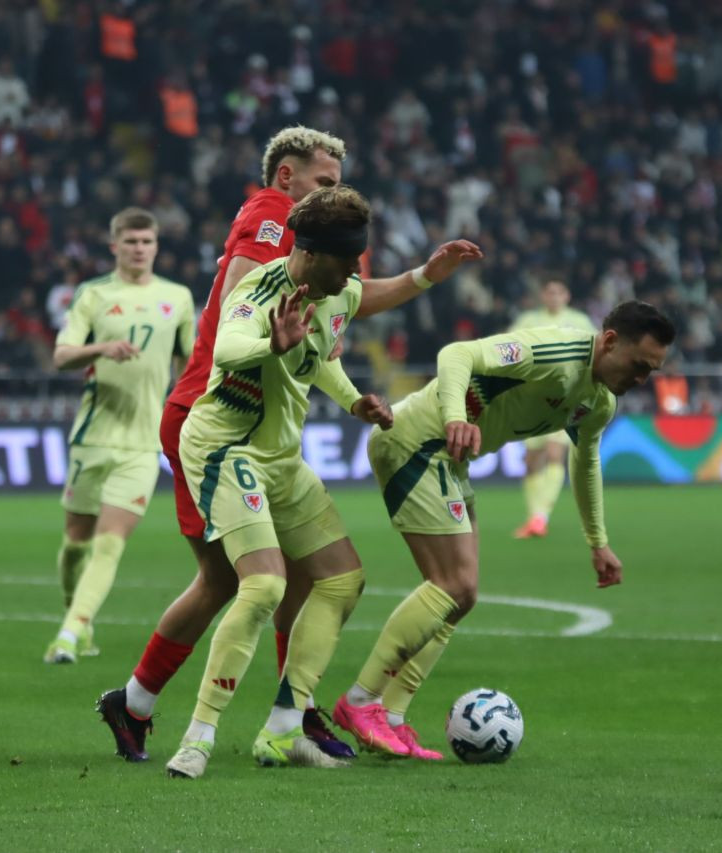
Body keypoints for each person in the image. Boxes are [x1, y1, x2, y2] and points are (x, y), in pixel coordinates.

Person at [95, 126, 481, 762]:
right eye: (325, 181)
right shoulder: (274, 221)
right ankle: (206, 718)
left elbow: (344, 303)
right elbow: (251, 305)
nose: (335, 191)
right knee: (248, 582)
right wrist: (271, 343)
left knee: (293, 580)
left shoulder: (314, 247)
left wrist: (416, 282)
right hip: (219, 412)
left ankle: (275, 715)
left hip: (266, 423)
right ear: (287, 178)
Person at [333, 301, 676, 758]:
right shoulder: (555, 352)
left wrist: (598, 542)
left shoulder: (598, 402)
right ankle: (359, 701)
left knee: (463, 595)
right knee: (452, 585)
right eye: (639, 365)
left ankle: (391, 716)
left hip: (451, 460)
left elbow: (585, 461)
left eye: (651, 371)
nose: (642, 380)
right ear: (610, 342)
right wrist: (456, 415)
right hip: (417, 441)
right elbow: (457, 354)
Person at [163, 184, 393, 779]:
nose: (354, 276)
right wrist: (273, 341)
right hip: (223, 447)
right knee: (263, 586)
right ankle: (198, 737)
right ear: (311, 254)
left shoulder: (337, 294)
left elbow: (324, 359)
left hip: (280, 456)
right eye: (347, 262)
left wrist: (353, 402)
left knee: (343, 579)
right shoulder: (258, 289)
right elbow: (231, 348)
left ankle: (285, 729)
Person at [42, 208, 195, 663]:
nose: (139, 249)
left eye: (146, 241)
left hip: (144, 444)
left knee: (111, 543)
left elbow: (191, 365)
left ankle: (70, 634)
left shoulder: (178, 297)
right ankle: (77, 616)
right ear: (115, 246)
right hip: (92, 437)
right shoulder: (93, 295)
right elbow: (62, 356)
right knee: (76, 543)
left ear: (156, 246)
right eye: (130, 242)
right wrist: (101, 348)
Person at [509, 279, 596, 538]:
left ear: (567, 295)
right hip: (532, 398)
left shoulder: (580, 322)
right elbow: (507, 349)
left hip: (565, 397)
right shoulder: (527, 321)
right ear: (543, 295)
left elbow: (595, 353)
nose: (554, 296)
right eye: (549, 292)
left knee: (556, 453)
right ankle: (535, 517)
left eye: (559, 292)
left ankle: (540, 518)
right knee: (532, 461)